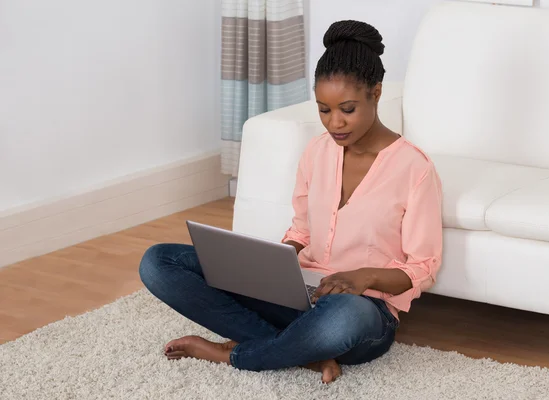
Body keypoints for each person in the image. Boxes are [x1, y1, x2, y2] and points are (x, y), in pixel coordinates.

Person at [139, 20, 443, 384]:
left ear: (375, 94)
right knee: (159, 262)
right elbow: (301, 228)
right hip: (299, 294)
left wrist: (364, 277)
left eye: (347, 108)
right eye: (324, 109)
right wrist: (270, 266)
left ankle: (234, 353)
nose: (334, 123)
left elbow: (423, 267)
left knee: (341, 319)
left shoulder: (415, 167)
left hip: (364, 309)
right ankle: (305, 353)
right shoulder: (317, 151)